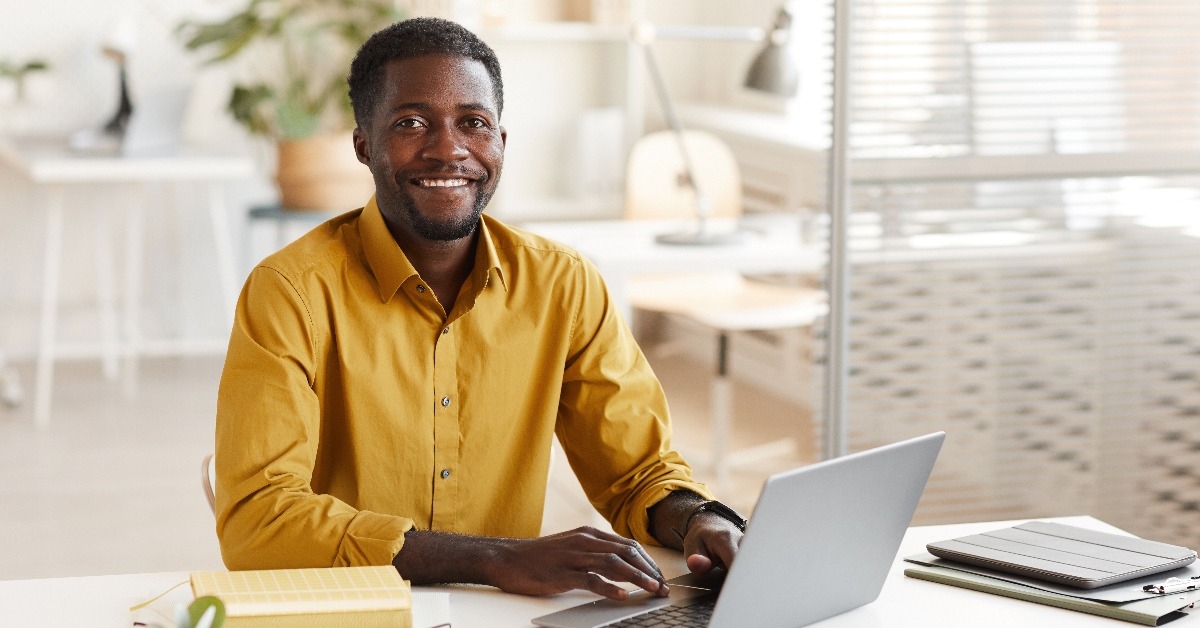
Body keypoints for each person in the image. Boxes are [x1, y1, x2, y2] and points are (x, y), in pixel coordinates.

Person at [214, 16, 744, 601]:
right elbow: (258, 520)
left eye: (473, 123)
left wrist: (700, 518)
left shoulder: (563, 284)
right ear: (364, 145)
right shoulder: (290, 292)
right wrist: (492, 558)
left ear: (500, 142)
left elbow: (637, 473)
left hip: (503, 614)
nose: (448, 149)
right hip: (354, 605)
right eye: (411, 123)